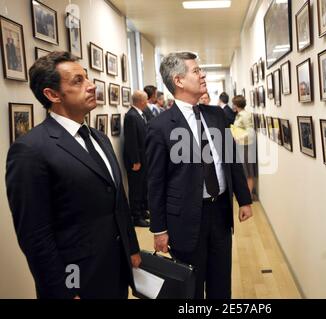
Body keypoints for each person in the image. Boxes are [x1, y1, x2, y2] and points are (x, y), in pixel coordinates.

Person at [5, 51, 141, 299]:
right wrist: (62, 290)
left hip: (115, 269)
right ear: (52, 94)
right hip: (77, 278)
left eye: (87, 78)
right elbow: (35, 235)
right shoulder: (30, 150)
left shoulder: (100, 138)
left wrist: (131, 248)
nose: (91, 86)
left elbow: (117, 200)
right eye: (78, 81)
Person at [146, 52, 253, 299]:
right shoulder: (159, 127)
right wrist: (159, 229)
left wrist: (244, 198)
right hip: (185, 218)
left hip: (221, 214)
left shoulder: (216, 116)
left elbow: (231, 160)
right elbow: (156, 182)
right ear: (179, 80)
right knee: (191, 289)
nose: (202, 74)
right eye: (196, 71)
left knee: (221, 284)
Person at [123, 90, 151, 227]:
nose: (147, 102)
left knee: (143, 186)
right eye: (146, 100)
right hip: (136, 160)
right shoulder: (131, 116)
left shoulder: (140, 114)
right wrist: (135, 161)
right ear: (140, 101)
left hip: (143, 157)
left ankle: (142, 210)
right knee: (136, 188)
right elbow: (131, 141)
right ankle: (136, 216)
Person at [231, 95, 256, 196]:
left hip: (246, 146)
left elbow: (250, 133)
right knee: (244, 171)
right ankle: (245, 193)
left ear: (236, 104)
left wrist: (238, 137)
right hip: (240, 146)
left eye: (233, 103)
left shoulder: (245, 115)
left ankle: (248, 195)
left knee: (248, 171)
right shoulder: (239, 114)